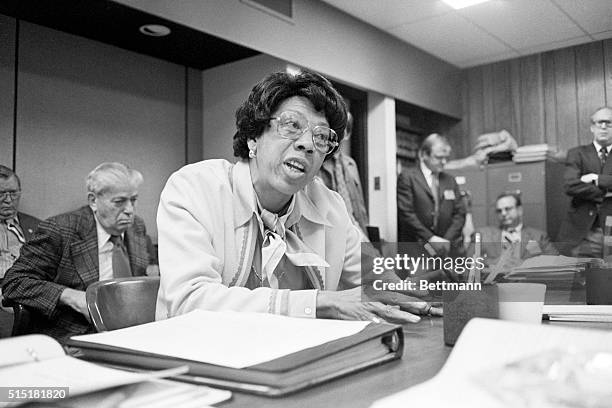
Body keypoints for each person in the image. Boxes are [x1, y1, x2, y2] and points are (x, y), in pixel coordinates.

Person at [156, 70, 439, 324]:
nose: (306, 144)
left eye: (322, 137)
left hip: (296, 362)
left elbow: (371, 278)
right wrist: (319, 303)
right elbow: (189, 302)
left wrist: (409, 293)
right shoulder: (194, 188)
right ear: (253, 137)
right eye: (291, 125)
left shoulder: (329, 206)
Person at [2, 162, 150, 343]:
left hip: (134, 331)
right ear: (93, 201)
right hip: (77, 334)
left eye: (133, 200)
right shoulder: (61, 230)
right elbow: (14, 283)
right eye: (119, 202)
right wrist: (72, 297)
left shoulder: (136, 227)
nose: (129, 210)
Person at [397, 134, 466, 257]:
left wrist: (445, 241)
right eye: (439, 158)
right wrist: (431, 238)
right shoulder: (408, 177)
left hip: (446, 249)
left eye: (446, 158)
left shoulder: (450, 180)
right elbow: (406, 213)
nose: (444, 162)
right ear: (423, 155)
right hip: (417, 249)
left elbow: (460, 213)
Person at [558, 106, 612, 257]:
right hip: (584, 233)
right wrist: (605, 192)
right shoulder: (577, 153)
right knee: (585, 278)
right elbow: (570, 185)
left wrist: (596, 178)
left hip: (610, 229)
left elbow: (579, 186)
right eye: (599, 123)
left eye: (609, 123)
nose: (603, 127)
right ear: (592, 127)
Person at [472, 192, 558, 270]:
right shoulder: (483, 234)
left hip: (527, 284)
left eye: (508, 209)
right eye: (499, 211)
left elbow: (555, 261)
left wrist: (525, 264)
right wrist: (494, 262)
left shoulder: (537, 236)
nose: (503, 213)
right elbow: (468, 262)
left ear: (519, 210)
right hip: (495, 284)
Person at [318, 112, 370, 235]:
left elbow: (360, 206)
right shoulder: (318, 161)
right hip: (330, 230)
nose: (337, 132)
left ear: (347, 133)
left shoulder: (351, 164)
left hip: (355, 228)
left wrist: (365, 234)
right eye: (334, 127)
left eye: (342, 128)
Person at [0, 165, 41, 280]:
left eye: (13, 193)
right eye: (1, 194)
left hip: (28, 288)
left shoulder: (37, 226)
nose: (8, 200)